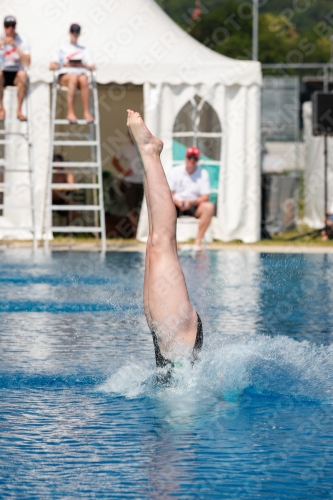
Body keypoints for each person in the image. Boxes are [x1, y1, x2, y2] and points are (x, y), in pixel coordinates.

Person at [126, 110, 203, 383]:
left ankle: (148, 155)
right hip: (180, 346)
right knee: (161, 244)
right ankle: (149, 153)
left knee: (154, 245)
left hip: (174, 347)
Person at [167, 147, 214, 248]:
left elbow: (206, 197)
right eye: (190, 157)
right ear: (186, 157)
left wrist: (191, 203)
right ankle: (174, 242)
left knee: (209, 207)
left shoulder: (203, 173)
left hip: (194, 206)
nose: (192, 160)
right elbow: (168, 194)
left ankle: (197, 241)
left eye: (195, 158)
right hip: (176, 205)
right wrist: (178, 202)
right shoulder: (175, 171)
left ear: (197, 160)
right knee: (164, 206)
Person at [49, 24, 94, 124]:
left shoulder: (84, 50)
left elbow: (91, 66)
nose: (75, 34)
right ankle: (70, 112)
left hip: (80, 77)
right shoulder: (61, 48)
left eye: (77, 32)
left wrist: (80, 65)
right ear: (70, 32)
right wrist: (66, 65)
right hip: (65, 77)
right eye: (73, 31)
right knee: (73, 77)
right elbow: (51, 66)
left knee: (83, 79)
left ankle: (87, 113)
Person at [112, 133, 144, 236]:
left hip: (143, 182)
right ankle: (135, 232)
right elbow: (114, 160)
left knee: (143, 209)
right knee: (132, 209)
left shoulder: (144, 147)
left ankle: (144, 231)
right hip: (130, 182)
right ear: (128, 135)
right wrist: (122, 171)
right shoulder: (125, 148)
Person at [0, 16, 31, 121]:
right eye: (7, 26)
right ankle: (1, 109)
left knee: (23, 74)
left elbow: (27, 62)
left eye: (12, 26)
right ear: (4, 27)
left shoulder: (22, 40)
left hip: (17, 74)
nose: (10, 29)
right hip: (3, 73)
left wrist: (15, 45)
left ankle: (19, 110)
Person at [52, 153, 76, 225]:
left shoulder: (64, 174)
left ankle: (68, 231)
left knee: (73, 206)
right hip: (49, 201)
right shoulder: (48, 174)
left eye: (59, 162)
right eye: (55, 162)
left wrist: (67, 168)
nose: (57, 164)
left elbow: (71, 184)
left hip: (62, 201)